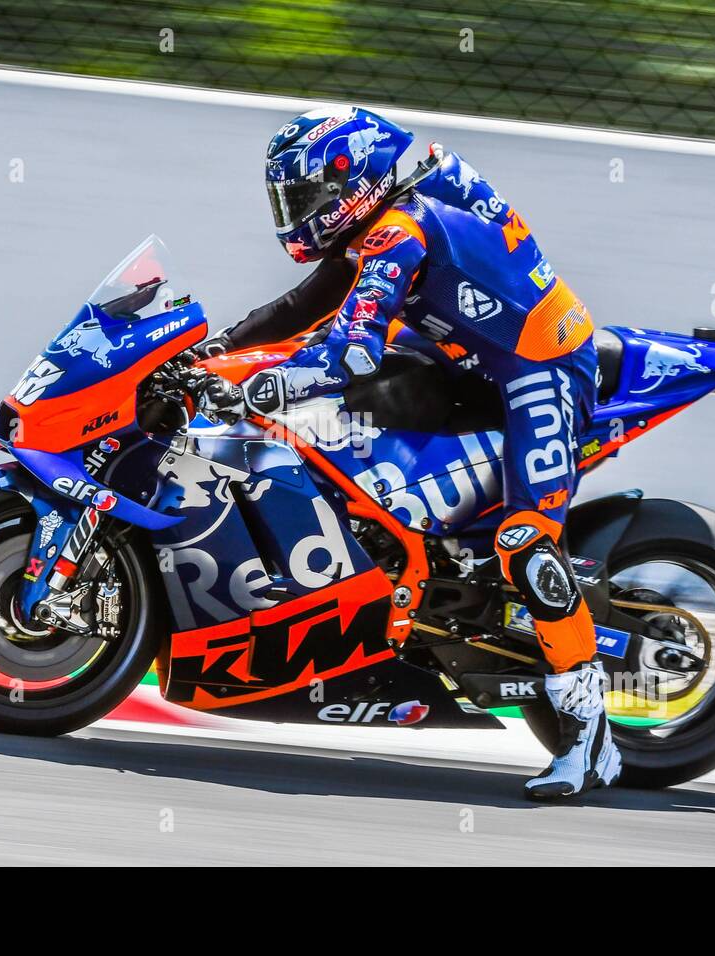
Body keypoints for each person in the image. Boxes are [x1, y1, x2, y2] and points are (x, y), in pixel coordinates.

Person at [199, 107, 620, 799]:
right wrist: (213, 352)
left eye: (305, 197)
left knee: (525, 543)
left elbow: (352, 345)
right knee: (340, 424)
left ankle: (589, 735)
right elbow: (301, 306)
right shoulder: (385, 218)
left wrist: (266, 381)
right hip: (464, 357)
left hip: (536, 371)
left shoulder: (399, 230)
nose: (298, 213)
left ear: (352, 178)